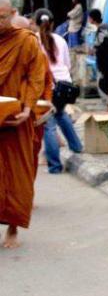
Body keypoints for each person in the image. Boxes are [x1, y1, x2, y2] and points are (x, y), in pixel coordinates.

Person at [0, 0, 47, 249]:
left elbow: (36, 76)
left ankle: (13, 228)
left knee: (17, 175)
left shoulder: (25, 41)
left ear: (13, 13)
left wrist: (28, 107)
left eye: (3, 18)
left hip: (17, 117)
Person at [34, 9, 83, 174]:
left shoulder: (34, 41)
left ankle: (55, 166)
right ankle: (77, 147)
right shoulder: (60, 40)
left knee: (49, 126)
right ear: (53, 23)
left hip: (47, 87)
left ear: (35, 23)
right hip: (63, 86)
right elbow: (67, 65)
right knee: (61, 115)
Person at [11, 14, 53, 178]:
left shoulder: (39, 55)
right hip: (9, 114)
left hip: (34, 116)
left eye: (27, 32)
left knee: (31, 154)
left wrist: (47, 103)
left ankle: (25, 193)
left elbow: (47, 82)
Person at [88, 8, 108, 101]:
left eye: (89, 17)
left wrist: (90, 51)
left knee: (104, 84)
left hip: (106, 62)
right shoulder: (106, 27)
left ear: (92, 19)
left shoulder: (102, 30)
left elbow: (98, 46)